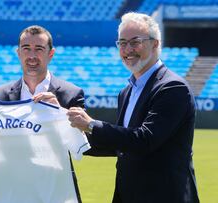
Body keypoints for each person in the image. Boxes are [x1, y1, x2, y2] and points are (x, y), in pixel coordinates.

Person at [67, 12, 200, 203]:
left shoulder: (173, 87)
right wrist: (68, 140)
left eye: (135, 42)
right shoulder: (127, 91)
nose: (128, 49)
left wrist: (91, 125)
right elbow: (121, 146)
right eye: (122, 43)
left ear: (155, 43)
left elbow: (144, 140)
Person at [0, 25, 85, 202]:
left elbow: (81, 144)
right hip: (13, 191)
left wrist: (60, 113)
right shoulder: (0, 94)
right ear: (18, 53)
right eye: (26, 49)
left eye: (39, 49)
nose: (32, 56)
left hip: (57, 191)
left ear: (51, 54)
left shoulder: (71, 93)